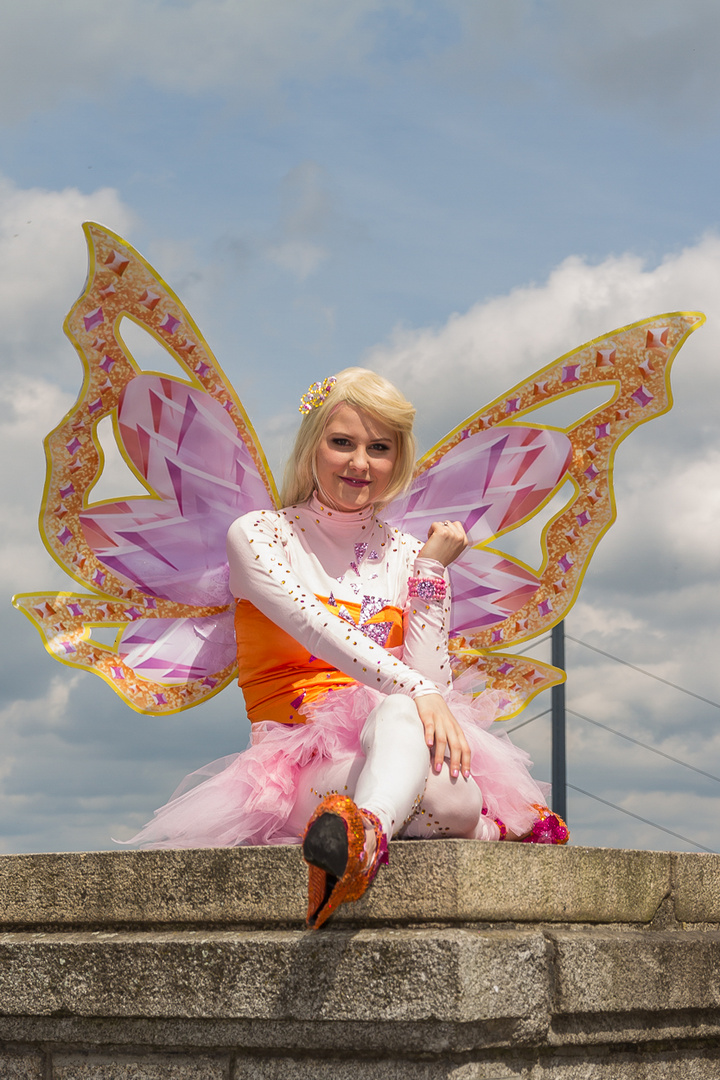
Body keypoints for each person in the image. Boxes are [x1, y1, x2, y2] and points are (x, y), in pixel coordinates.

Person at [128, 368, 567, 927]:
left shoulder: (411, 554)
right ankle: (471, 828)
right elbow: (316, 628)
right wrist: (414, 690)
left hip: (390, 741)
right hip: (294, 768)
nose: (360, 463)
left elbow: (433, 679)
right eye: (343, 443)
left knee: (448, 791)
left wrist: (431, 574)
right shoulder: (259, 535)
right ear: (313, 446)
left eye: (379, 448)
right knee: (447, 791)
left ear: (397, 459)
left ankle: (366, 835)